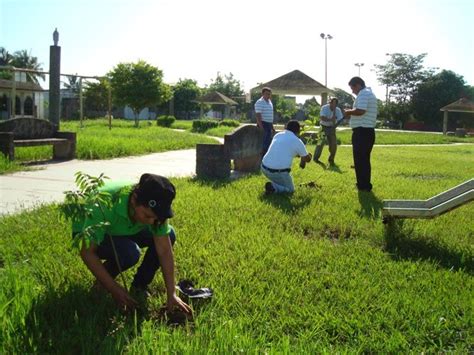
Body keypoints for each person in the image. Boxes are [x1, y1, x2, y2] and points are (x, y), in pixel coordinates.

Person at [72, 173, 192, 314]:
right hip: (92, 234)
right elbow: (87, 252)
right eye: (147, 216)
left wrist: (172, 294)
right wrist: (114, 289)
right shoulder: (103, 203)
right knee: (130, 252)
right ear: (134, 200)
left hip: (127, 231)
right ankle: (103, 282)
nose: (151, 222)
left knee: (169, 234)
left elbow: (164, 250)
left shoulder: (156, 213)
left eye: (156, 218)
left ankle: (139, 286)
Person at [344, 77, 377, 192]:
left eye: (352, 88)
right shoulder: (369, 94)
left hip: (362, 132)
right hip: (367, 132)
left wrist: (348, 112)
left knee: (360, 160)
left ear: (357, 85)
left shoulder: (363, 94)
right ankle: (364, 184)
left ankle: (363, 185)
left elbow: (361, 111)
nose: (352, 91)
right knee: (364, 160)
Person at [261, 120, 312, 194]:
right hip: (278, 172)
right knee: (290, 190)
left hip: (264, 168)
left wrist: (299, 155)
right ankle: (274, 187)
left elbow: (282, 151)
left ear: (286, 127)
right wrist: (309, 155)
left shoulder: (278, 135)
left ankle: (275, 184)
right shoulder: (297, 141)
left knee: (278, 178)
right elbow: (307, 159)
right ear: (298, 131)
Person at [314, 97, 344, 165]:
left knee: (333, 145)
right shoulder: (324, 108)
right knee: (320, 143)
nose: (333, 105)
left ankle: (331, 160)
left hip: (332, 128)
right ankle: (316, 158)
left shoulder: (338, 110)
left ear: (336, 105)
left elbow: (340, 119)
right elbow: (322, 117)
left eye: (334, 104)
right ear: (329, 102)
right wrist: (331, 119)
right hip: (323, 127)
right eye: (331, 103)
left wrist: (335, 125)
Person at [255, 87, 275, 156]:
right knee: (263, 144)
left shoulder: (270, 102)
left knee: (268, 143)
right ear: (262, 94)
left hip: (269, 125)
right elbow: (258, 115)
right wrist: (261, 127)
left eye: (269, 94)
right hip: (263, 124)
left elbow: (270, 115)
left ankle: (265, 158)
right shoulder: (259, 102)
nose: (268, 96)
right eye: (267, 94)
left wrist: (272, 127)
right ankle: (261, 159)